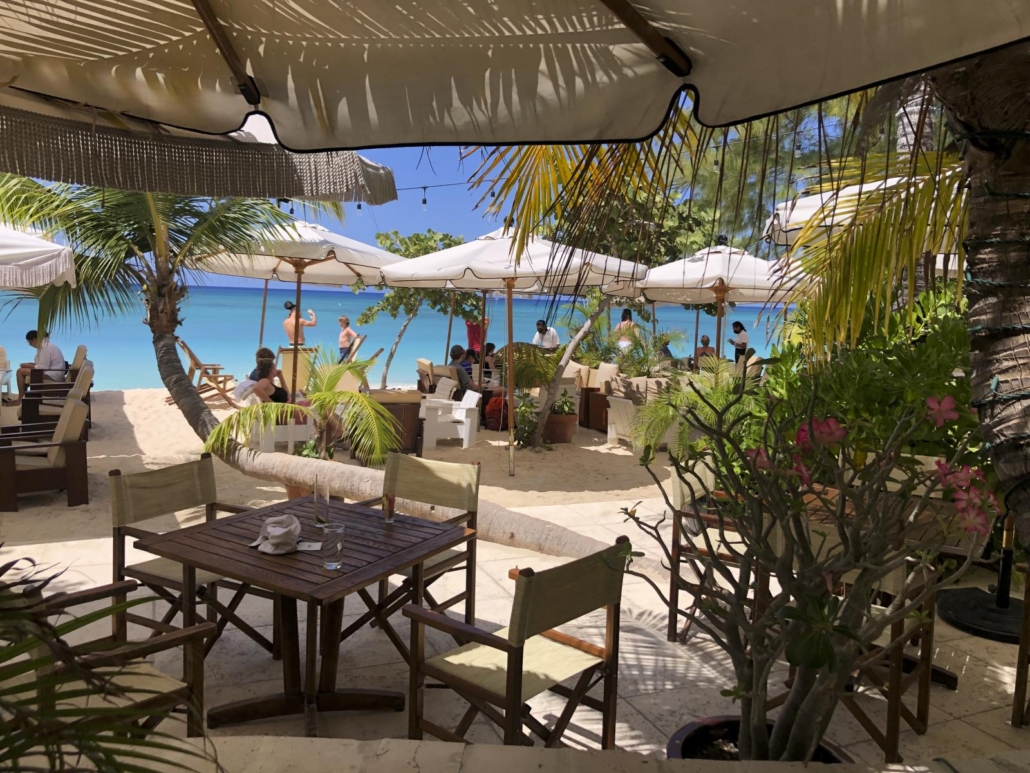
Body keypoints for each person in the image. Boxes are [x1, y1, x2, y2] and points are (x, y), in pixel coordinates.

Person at [11, 330, 65, 406]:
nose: (30, 345)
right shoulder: (44, 345)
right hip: (52, 372)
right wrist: (29, 364)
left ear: (34, 339)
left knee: (20, 371)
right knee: (23, 371)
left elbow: (43, 367)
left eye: (30, 343)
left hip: (53, 375)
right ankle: (23, 398)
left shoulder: (45, 347)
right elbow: (42, 364)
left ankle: (20, 399)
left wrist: (26, 365)